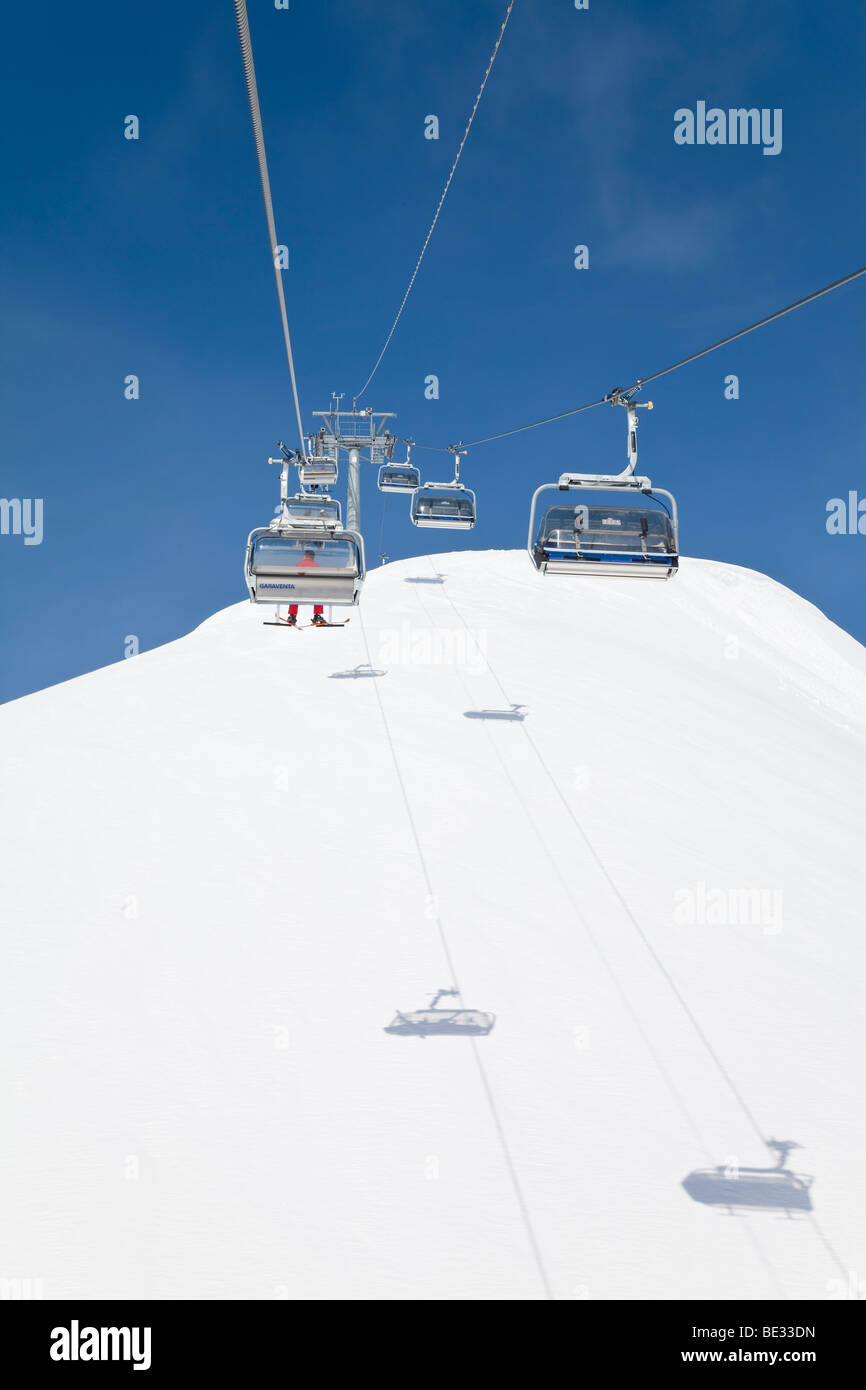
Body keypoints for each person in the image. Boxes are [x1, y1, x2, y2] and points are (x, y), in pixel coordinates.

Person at [285, 547, 326, 626]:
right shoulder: (316, 566)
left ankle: (292, 616)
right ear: (313, 557)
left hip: (299, 592)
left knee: (294, 594)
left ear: (304, 556)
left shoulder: (298, 565)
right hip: (312, 592)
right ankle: (317, 615)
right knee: (319, 594)